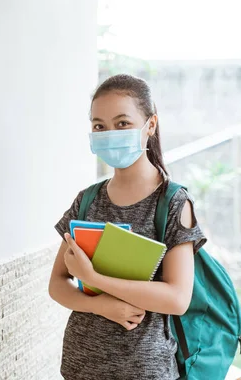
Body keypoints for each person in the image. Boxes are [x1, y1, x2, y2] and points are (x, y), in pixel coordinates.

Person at [48, 74, 207, 379]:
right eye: (99, 126)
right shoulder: (87, 201)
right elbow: (57, 284)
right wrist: (101, 306)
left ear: (150, 125)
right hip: (80, 368)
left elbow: (177, 299)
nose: (109, 133)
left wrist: (95, 278)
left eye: (122, 123)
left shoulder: (173, 203)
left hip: (145, 371)